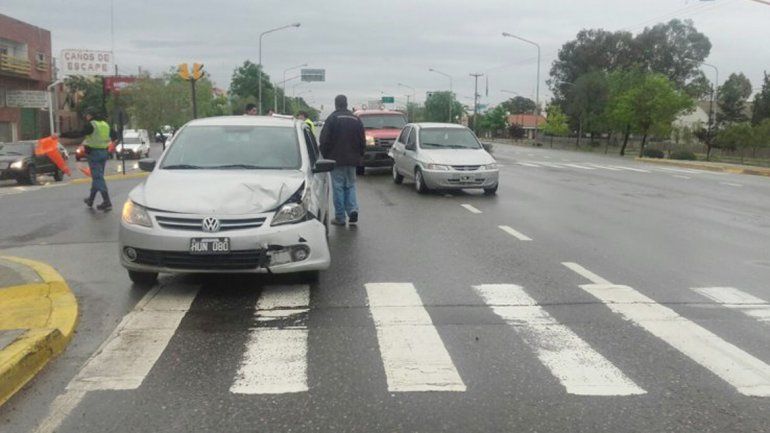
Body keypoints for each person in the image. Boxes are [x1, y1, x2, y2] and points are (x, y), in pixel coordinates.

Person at [319, 95, 365, 226]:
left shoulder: (332, 119)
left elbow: (324, 140)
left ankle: (340, 217)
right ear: (346, 104)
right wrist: (360, 156)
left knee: (338, 187)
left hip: (336, 160)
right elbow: (362, 140)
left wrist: (326, 155)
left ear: (336, 104)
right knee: (350, 185)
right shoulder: (356, 119)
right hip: (353, 160)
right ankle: (352, 210)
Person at [61, 108, 117, 211]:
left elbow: (78, 133)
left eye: (86, 115)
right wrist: (111, 147)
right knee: (97, 177)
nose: (86, 117)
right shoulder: (105, 124)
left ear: (90, 115)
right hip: (104, 153)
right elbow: (115, 137)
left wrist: (62, 135)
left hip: (94, 154)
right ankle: (90, 200)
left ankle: (107, 201)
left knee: (98, 178)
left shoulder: (91, 125)